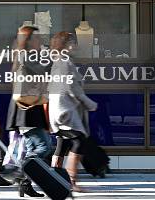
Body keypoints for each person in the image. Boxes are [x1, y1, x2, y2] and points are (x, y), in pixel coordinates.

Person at [48, 31, 98, 192]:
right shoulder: (65, 63)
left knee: (62, 143)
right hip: (65, 111)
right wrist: (90, 104)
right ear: (67, 44)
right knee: (79, 141)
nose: (75, 46)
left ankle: (54, 177)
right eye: (73, 42)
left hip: (57, 109)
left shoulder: (56, 61)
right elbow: (73, 89)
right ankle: (71, 181)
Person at [5, 25, 51, 198]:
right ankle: (21, 171)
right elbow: (43, 72)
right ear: (29, 40)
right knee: (43, 146)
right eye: (37, 37)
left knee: (34, 147)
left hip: (29, 109)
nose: (40, 40)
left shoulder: (25, 55)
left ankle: (25, 183)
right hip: (26, 110)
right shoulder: (26, 56)